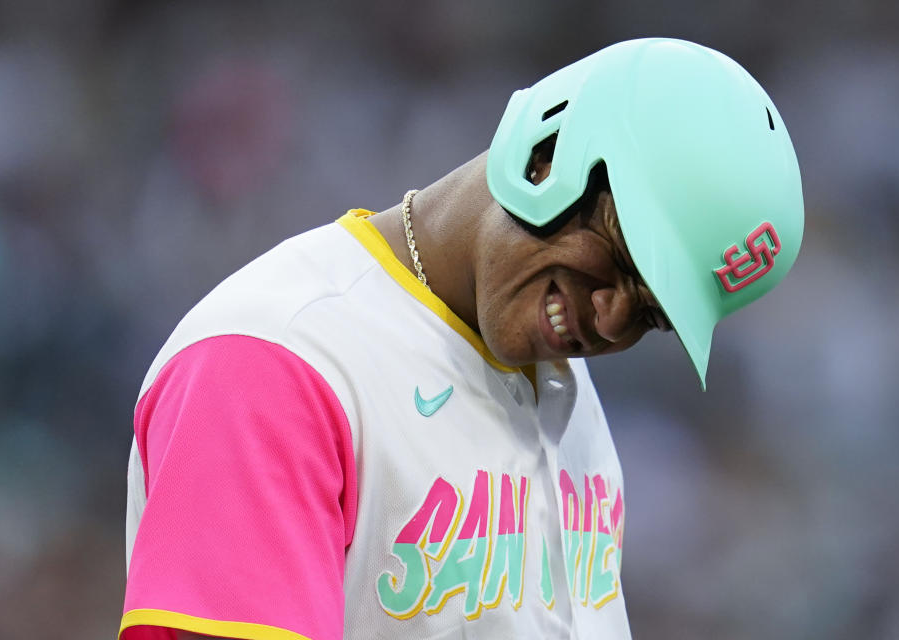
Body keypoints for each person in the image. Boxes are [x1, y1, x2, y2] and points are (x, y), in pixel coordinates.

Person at [119, 38, 803, 640]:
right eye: (622, 263)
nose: (609, 318)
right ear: (547, 153)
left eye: (650, 315)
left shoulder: (561, 384)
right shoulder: (277, 358)